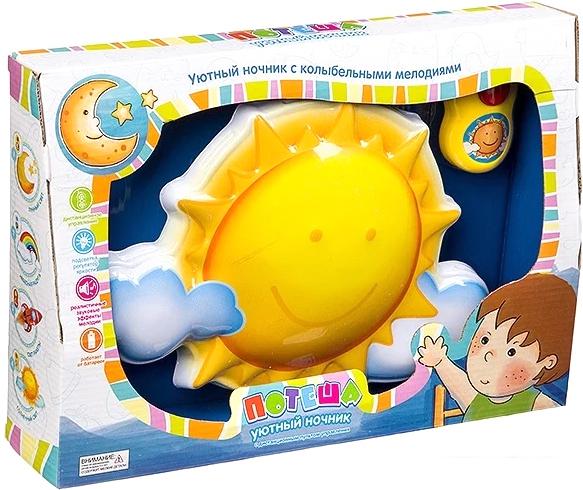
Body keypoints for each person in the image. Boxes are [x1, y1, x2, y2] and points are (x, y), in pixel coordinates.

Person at [418, 273, 576, 422]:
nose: (488, 354)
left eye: (511, 351)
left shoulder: (539, 405)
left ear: (548, 362)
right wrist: (439, 361)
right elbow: (458, 385)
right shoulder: (477, 400)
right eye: (484, 340)